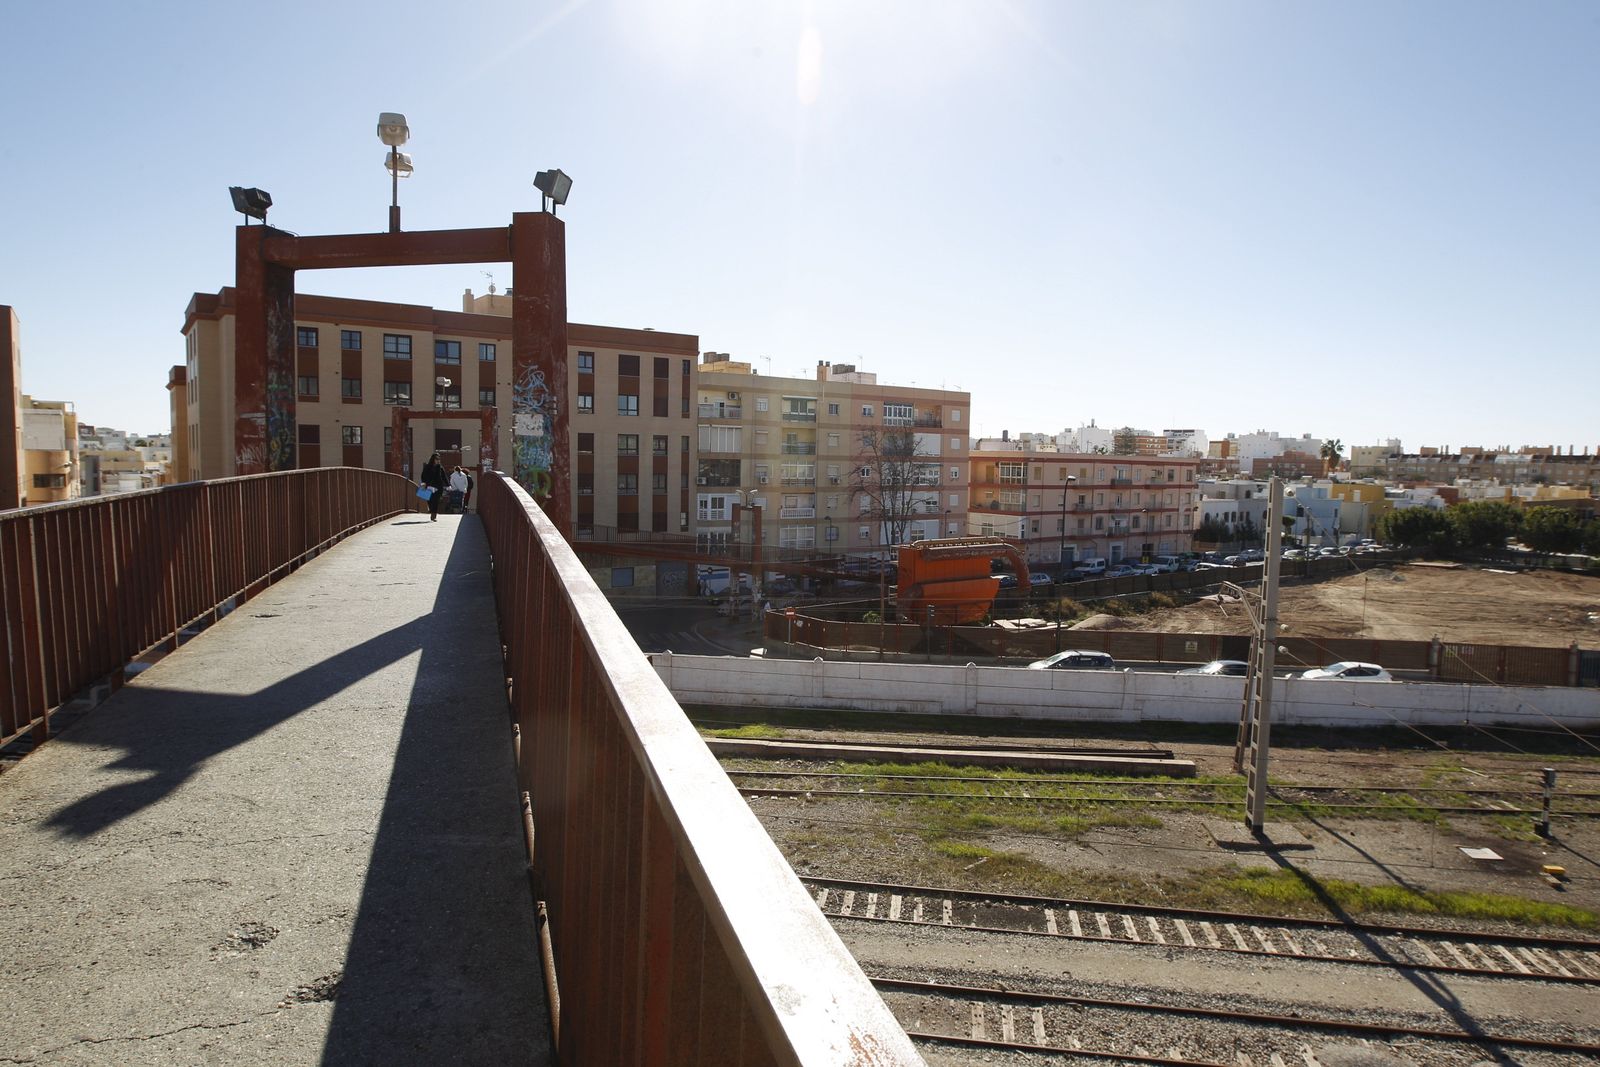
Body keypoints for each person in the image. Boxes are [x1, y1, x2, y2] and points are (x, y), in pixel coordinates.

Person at [420, 452, 448, 522]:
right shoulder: (427, 467)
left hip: (438, 487)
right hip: (429, 486)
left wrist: (448, 485)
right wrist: (424, 483)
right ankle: (431, 510)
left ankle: (433, 516)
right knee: (429, 500)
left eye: (439, 459)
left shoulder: (440, 467)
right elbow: (423, 476)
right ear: (433, 459)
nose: (438, 460)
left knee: (435, 501)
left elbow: (444, 477)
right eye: (436, 459)